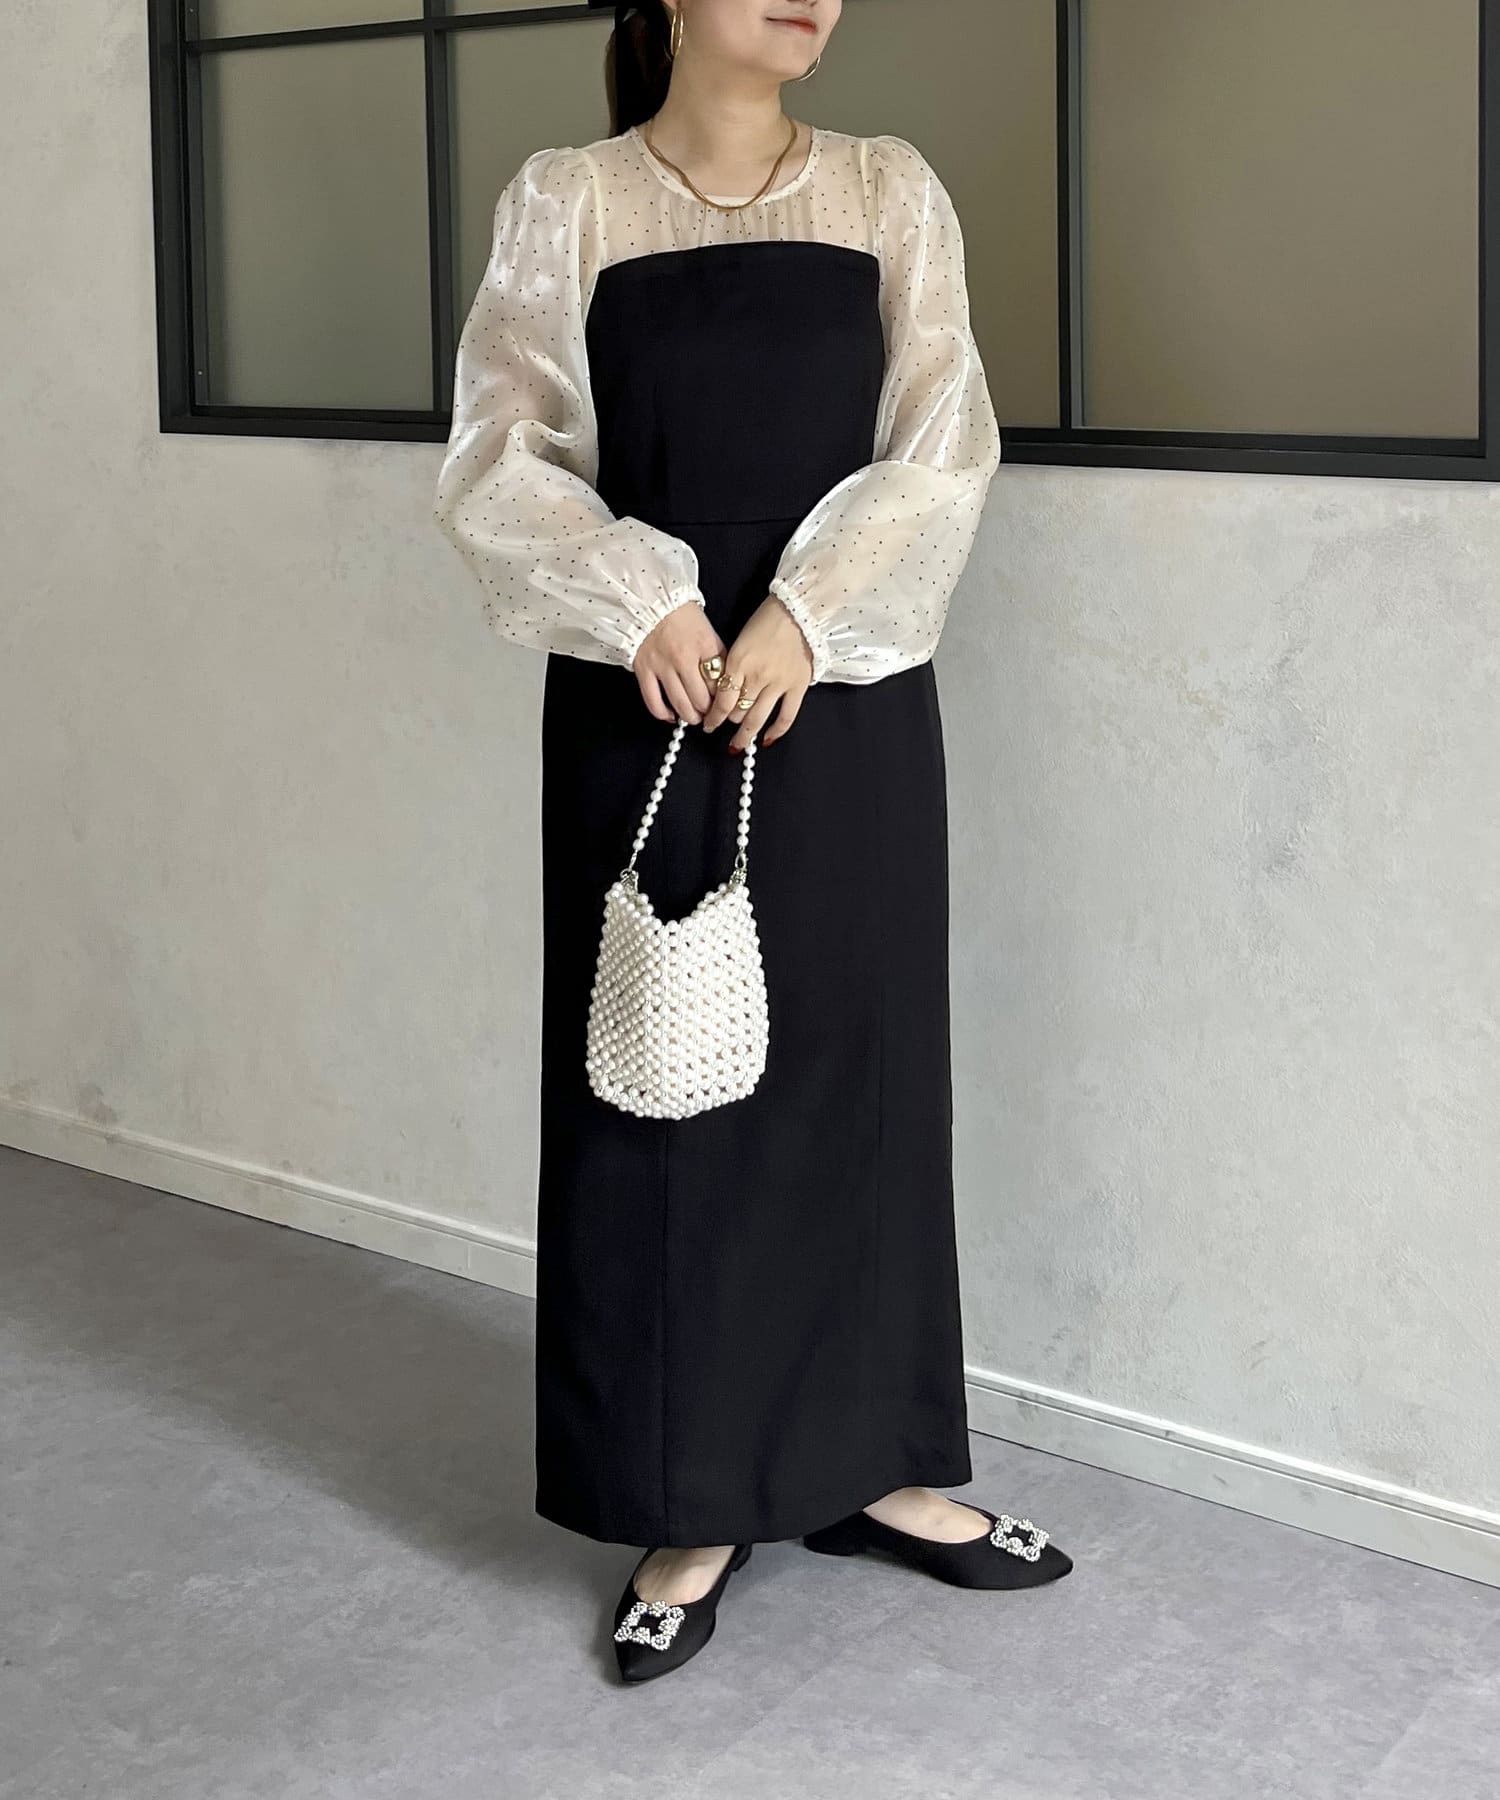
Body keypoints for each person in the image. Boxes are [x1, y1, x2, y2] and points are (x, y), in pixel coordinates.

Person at [432, 0, 1072, 1684]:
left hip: (841, 696)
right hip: (646, 694)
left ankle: (879, 1466)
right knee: (665, 1094)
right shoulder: (569, 199)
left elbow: (942, 444)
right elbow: (502, 454)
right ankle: (688, 1497)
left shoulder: (887, 186)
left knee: (862, 1076)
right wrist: (642, 603)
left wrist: (806, 613)